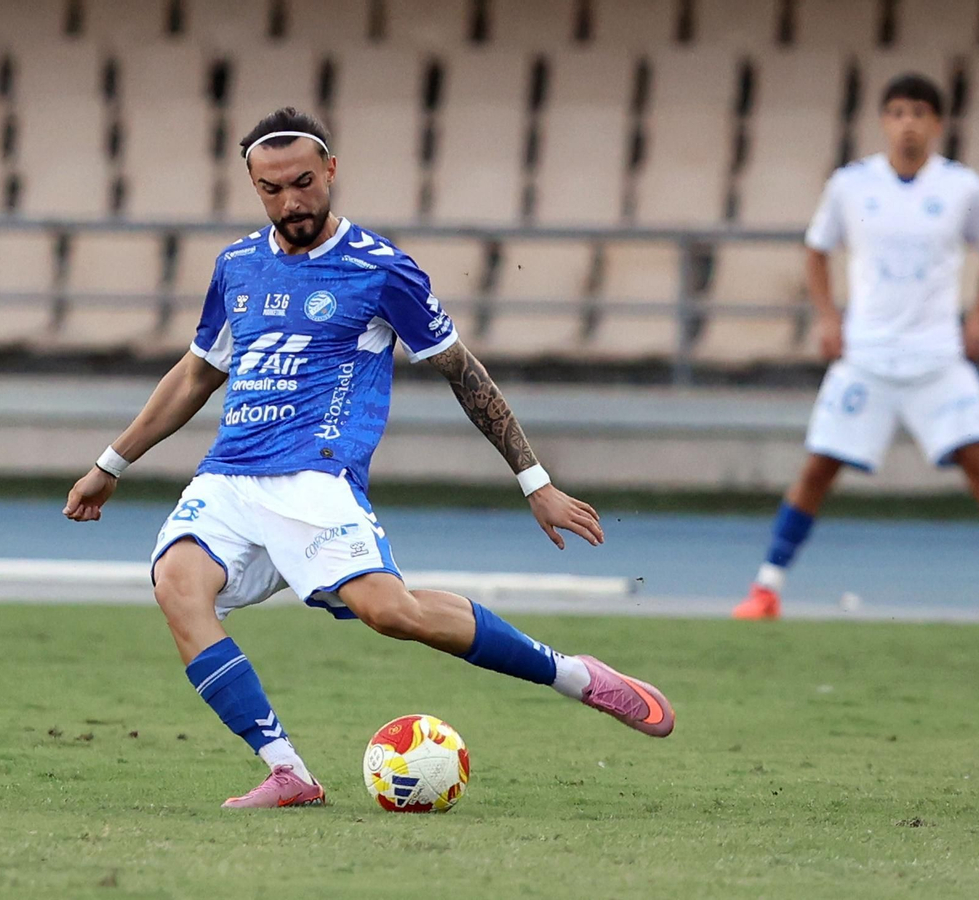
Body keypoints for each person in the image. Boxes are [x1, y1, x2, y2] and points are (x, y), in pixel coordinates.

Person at [64, 107, 675, 809]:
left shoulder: (380, 270)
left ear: (330, 170)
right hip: (229, 476)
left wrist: (533, 480)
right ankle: (287, 769)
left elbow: (463, 370)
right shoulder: (236, 265)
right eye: (271, 189)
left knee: (391, 612)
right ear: (253, 186)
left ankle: (575, 676)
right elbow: (199, 371)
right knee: (176, 584)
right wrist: (112, 462)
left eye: (302, 183)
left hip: (317, 477)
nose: (291, 202)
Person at [732, 75, 979, 627]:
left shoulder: (963, 188)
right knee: (819, 466)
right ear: (884, 121)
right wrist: (827, 317)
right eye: (896, 112)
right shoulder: (851, 184)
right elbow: (817, 252)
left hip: (937, 357)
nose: (907, 122)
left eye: (918, 112)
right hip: (869, 356)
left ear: (937, 123)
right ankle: (766, 588)